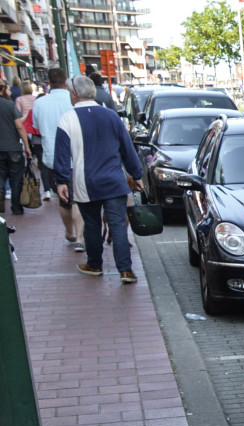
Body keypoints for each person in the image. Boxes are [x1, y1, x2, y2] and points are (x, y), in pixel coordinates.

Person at [53, 75, 144, 284]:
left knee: (92, 224)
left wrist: (61, 181)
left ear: (74, 94)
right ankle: (125, 270)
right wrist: (136, 174)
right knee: (118, 225)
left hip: (86, 182)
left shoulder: (67, 118)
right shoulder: (112, 116)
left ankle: (94, 264)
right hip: (114, 181)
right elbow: (127, 148)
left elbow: (61, 154)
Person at [32, 68, 81, 246]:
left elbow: (36, 125)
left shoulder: (40, 102)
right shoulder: (72, 99)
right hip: (75, 155)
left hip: (51, 156)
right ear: (66, 81)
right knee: (78, 197)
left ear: (49, 82)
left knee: (64, 198)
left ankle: (69, 232)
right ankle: (81, 237)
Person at [0, 79, 31, 216]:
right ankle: (17, 207)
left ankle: (0, 192)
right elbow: (19, 126)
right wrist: (26, 145)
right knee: (16, 178)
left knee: (0, 175)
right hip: (13, 147)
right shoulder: (9, 105)